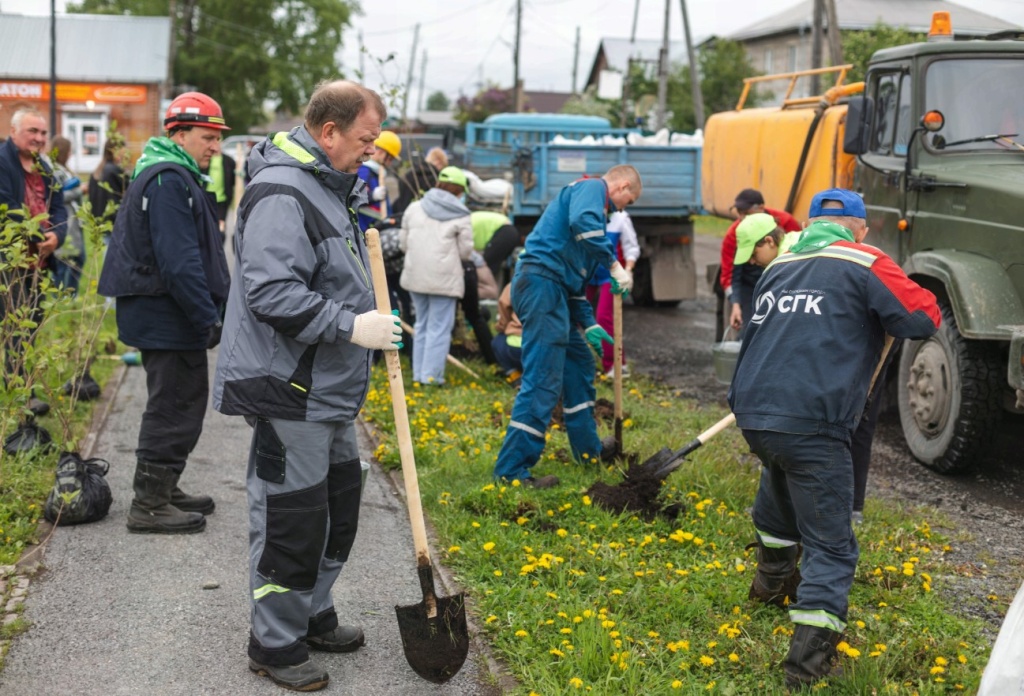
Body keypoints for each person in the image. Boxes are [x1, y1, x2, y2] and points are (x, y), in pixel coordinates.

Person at [212, 80, 401, 692]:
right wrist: (352, 325)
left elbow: (331, 273)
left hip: (327, 391)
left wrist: (374, 313)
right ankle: (274, 641)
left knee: (337, 506)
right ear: (328, 132)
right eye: (366, 138)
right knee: (290, 518)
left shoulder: (325, 186)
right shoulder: (283, 191)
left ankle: (312, 611)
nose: (372, 149)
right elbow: (271, 291)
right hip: (288, 388)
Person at [727, 188, 941, 690]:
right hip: (814, 420)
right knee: (831, 545)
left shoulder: (781, 264)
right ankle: (806, 665)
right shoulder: (867, 259)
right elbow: (922, 316)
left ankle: (770, 585)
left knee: (777, 488)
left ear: (810, 223)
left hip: (755, 413)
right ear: (860, 227)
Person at [97, 92, 231, 535]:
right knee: (174, 406)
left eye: (218, 138)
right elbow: (179, 261)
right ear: (179, 133)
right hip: (168, 315)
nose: (216, 147)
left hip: (167, 314)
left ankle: (164, 486)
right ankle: (149, 504)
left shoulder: (173, 173)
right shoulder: (168, 179)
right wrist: (205, 317)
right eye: (208, 136)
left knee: (179, 402)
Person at [492, 165, 641, 488]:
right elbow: (582, 223)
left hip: (555, 290)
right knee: (543, 380)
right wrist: (614, 265)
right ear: (622, 185)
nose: (622, 209)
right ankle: (512, 470)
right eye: (628, 201)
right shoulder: (590, 190)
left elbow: (574, 287)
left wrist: (588, 325)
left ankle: (588, 452)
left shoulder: (592, 222)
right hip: (541, 285)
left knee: (579, 363)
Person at [734, 212, 886, 526]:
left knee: (852, 429)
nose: (751, 262)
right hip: (817, 364)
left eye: (753, 253)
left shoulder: (797, 255)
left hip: (847, 361)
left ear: (769, 241)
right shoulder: (785, 259)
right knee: (786, 429)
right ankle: (779, 509)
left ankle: (851, 507)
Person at [0, 108, 68, 418]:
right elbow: (8, 207)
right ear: (14, 132)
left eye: (43, 133)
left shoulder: (45, 168)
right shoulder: (3, 162)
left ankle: (22, 385)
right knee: (15, 328)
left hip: (39, 264)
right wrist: (39, 233)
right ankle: (19, 396)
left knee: (31, 326)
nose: (40, 138)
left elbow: (60, 210)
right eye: (33, 132)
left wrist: (56, 237)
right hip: (10, 263)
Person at [399, 166, 473, 385]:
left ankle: (418, 375)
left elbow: (403, 244)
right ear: (459, 190)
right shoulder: (461, 215)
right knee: (439, 328)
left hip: (415, 276)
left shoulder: (414, 208)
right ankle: (432, 379)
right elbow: (466, 252)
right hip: (444, 279)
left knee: (421, 324)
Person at [719, 188, 801, 334]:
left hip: (775, 286)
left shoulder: (786, 225)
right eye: (739, 213)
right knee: (750, 331)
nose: (742, 218)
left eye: (745, 213)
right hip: (750, 287)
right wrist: (735, 303)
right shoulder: (737, 233)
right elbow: (731, 275)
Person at [586, 209, 640, 377]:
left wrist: (628, 270)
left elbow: (632, 247)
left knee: (604, 317)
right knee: (573, 315)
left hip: (611, 275)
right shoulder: (587, 214)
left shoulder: (620, 218)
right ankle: (570, 362)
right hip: (587, 273)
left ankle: (616, 365)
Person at [47, 136, 86, 294]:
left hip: (74, 220)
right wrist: (79, 190)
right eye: (69, 150)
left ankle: (69, 294)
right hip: (65, 220)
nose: (71, 153)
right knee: (64, 261)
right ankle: (61, 295)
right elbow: (57, 197)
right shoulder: (54, 170)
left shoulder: (64, 169)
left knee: (77, 258)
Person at [355, 130, 401, 232]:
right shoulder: (364, 171)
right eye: (390, 158)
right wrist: (372, 196)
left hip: (374, 229)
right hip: (364, 230)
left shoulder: (376, 173)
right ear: (381, 152)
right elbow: (353, 198)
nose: (390, 163)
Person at [470, 210, 523, 287]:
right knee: (491, 267)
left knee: (486, 267)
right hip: (507, 231)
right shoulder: (465, 220)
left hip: (505, 231)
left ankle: (489, 295)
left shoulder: (462, 224)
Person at [392, 145, 446, 218]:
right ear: (438, 161)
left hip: (402, 214)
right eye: (442, 166)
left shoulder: (410, 173)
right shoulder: (434, 178)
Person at [87, 138, 127, 225]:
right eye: (123, 152)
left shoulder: (97, 171)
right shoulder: (113, 171)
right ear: (115, 151)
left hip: (99, 225)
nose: (124, 155)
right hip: (112, 224)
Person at [492, 280, 523, 385]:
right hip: (549, 347)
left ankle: (516, 377)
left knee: (497, 342)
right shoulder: (559, 283)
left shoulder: (515, 284)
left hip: (516, 346)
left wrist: (502, 326)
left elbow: (504, 311)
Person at [202, 151, 236, 239]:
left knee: (221, 227)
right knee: (208, 225)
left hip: (222, 199)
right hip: (207, 198)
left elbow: (233, 179)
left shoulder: (228, 160)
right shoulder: (206, 158)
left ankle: (220, 246)